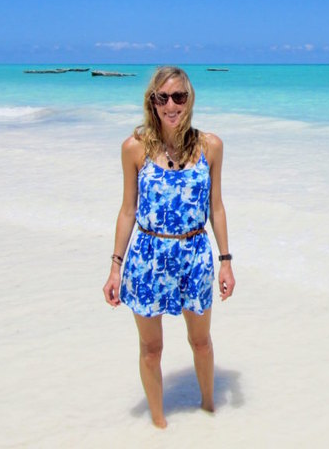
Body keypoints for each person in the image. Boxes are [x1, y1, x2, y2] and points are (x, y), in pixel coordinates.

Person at [102, 66, 235, 428]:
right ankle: (159, 425)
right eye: (164, 98)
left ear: (190, 100)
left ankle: (210, 411)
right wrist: (115, 267)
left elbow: (216, 207)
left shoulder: (211, 146)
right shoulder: (134, 148)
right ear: (153, 102)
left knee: (202, 341)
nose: (172, 105)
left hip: (195, 256)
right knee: (151, 349)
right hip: (147, 258)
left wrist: (225, 261)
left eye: (180, 96)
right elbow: (128, 210)